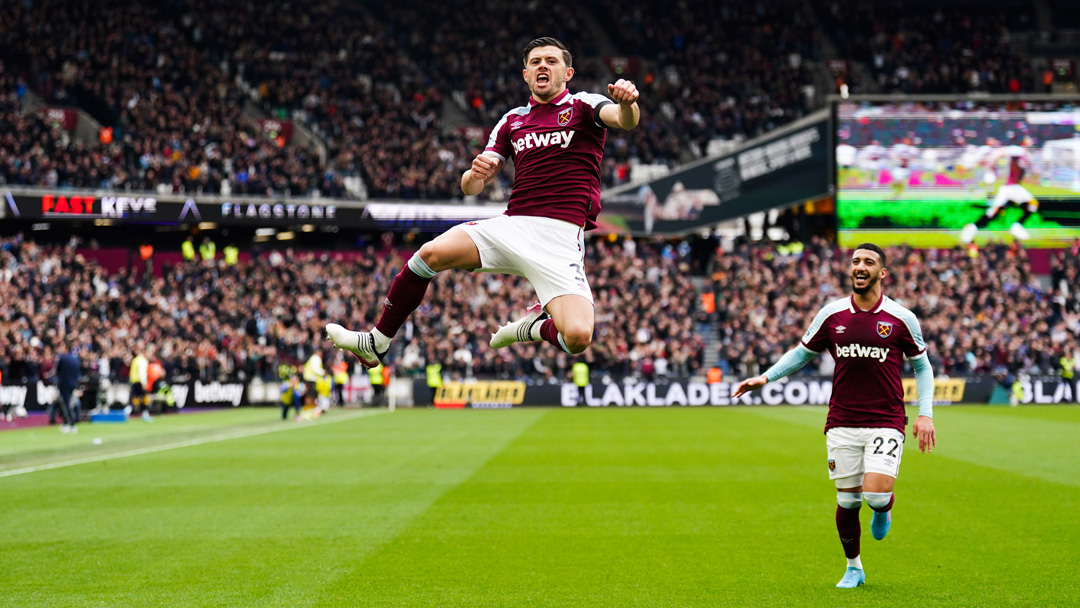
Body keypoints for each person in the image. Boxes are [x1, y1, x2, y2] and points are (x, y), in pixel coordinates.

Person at [326, 37, 640, 367]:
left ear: (568, 72)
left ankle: (533, 328)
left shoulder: (584, 106)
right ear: (525, 75)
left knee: (577, 337)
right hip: (513, 225)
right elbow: (470, 188)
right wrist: (476, 174)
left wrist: (629, 103)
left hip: (560, 239)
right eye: (535, 62)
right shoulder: (512, 121)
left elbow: (625, 119)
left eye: (551, 61)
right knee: (429, 254)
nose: (542, 66)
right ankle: (377, 341)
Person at [732, 243, 937, 589]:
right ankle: (854, 567)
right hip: (841, 420)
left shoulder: (902, 318)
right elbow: (801, 354)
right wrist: (765, 377)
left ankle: (884, 507)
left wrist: (925, 414)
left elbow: (922, 367)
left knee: (873, 496)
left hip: (885, 419)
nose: (860, 266)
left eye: (868, 262)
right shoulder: (832, 314)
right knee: (847, 500)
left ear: (881, 273)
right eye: (855, 261)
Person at [961, 145, 1038, 244]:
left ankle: (1017, 226)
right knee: (993, 214)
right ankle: (971, 228)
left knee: (1032, 204)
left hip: (1013, 188)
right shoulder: (1018, 151)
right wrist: (992, 159)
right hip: (1008, 188)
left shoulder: (1023, 155)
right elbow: (1002, 151)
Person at [54, 345, 81, 433]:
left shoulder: (62, 358)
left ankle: (71, 424)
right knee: (70, 403)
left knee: (66, 405)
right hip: (73, 384)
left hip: (64, 384)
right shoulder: (75, 359)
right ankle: (67, 423)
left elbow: (57, 371)